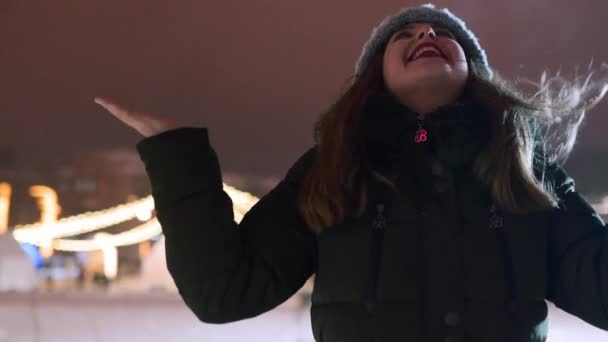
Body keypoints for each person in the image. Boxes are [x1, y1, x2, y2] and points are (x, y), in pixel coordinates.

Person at [95, 4, 608, 342]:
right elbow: (227, 291)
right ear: (375, 81)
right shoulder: (334, 170)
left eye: (443, 34)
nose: (426, 33)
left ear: (475, 76)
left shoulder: (522, 172)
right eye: (404, 35)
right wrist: (176, 154)